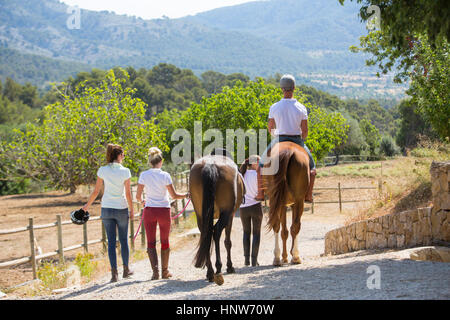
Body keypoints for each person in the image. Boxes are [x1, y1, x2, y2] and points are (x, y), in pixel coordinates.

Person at [259, 74, 316, 202]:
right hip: (297, 139)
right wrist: (302, 139)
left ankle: (261, 194)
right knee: (312, 169)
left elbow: (270, 127)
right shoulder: (301, 107)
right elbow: (305, 130)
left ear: (281, 89)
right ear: (294, 88)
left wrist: (275, 135)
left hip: (279, 139)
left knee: (260, 165)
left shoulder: (274, 107)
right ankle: (308, 194)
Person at [82, 143, 134, 283]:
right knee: (123, 240)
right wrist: (132, 209)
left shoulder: (102, 170)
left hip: (106, 209)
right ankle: (126, 269)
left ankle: (114, 274)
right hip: (121, 208)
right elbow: (128, 193)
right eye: (123, 154)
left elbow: (96, 192)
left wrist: (86, 206)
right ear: (118, 155)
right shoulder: (125, 171)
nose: (124, 157)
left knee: (111, 242)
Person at [136, 147, 188, 280]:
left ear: (150, 162)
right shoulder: (165, 175)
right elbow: (174, 195)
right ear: (161, 161)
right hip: (164, 210)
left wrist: (143, 202)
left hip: (149, 211)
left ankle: (155, 273)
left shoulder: (144, 175)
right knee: (165, 241)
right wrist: (187, 195)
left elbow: (137, 196)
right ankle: (165, 272)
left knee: (150, 242)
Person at [239, 155, 264, 267]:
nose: (261, 165)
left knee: (246, 232)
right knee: (256, 233)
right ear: (254, 163)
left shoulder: (241, 174)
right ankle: (254, 261)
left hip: (243, 208)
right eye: (259, 163)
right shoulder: (257, 174)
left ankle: (246, 261)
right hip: (256, 206)